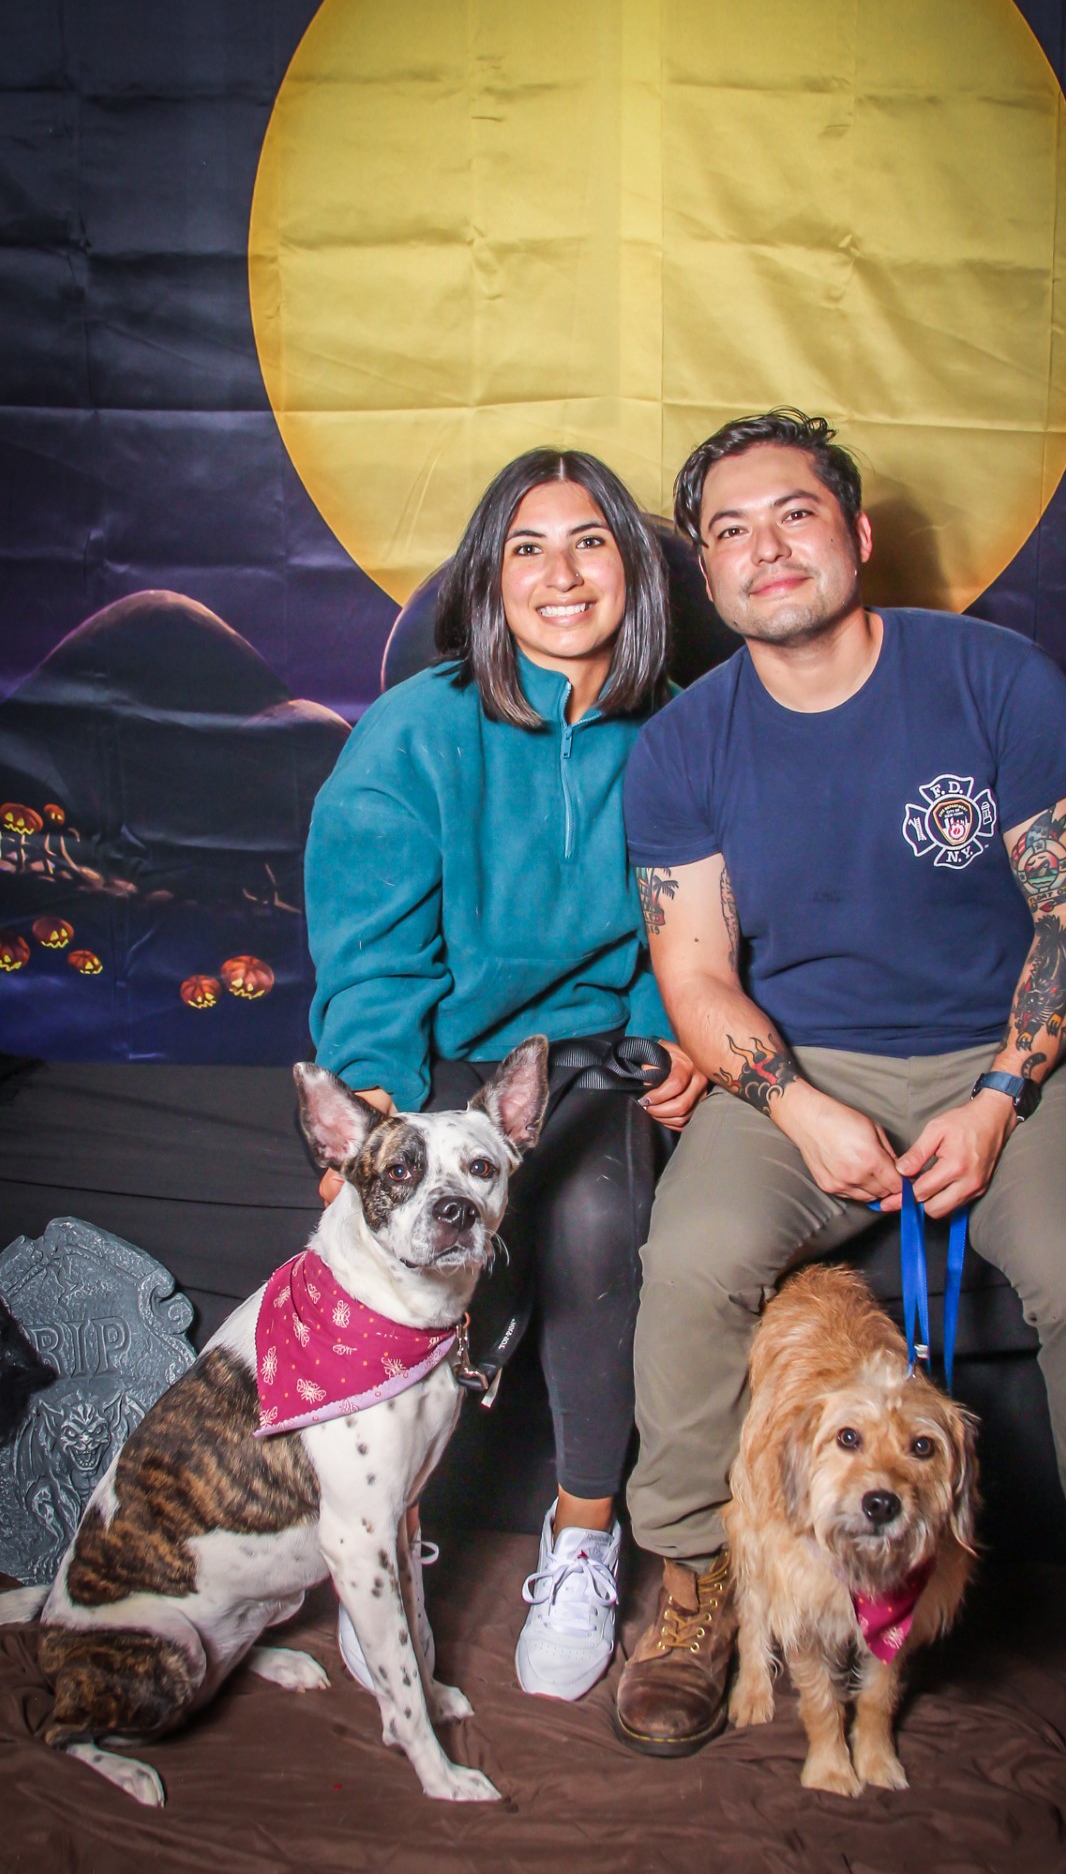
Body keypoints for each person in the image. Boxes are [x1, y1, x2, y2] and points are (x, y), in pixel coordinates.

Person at [615, 409, 1066, 1790]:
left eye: (795, 513)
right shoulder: (684, 744)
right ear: (706, 572)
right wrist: (797, 1106)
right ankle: (695, 1583)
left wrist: (1002, 1092)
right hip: (796, 1068)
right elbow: (694, 973)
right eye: (730, 531)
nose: (767, 548)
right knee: (691, 1257)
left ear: (857, 531)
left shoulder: (996, 680)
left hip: (1005, 1055)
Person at [305, 448, 706, 1702]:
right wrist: (372, 1098)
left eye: (589, 541)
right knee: (391, 1236)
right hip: (438, 1055)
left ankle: (583, 1533)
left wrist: (673, 1034)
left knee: (593, 1223)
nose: (559, 573)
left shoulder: (683, 726)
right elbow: (370, 946)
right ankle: (386, 1529)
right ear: (487, 578)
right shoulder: (414, 729)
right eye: (526, 547)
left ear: (633, 570)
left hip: (593, 1053)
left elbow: (698, 915)